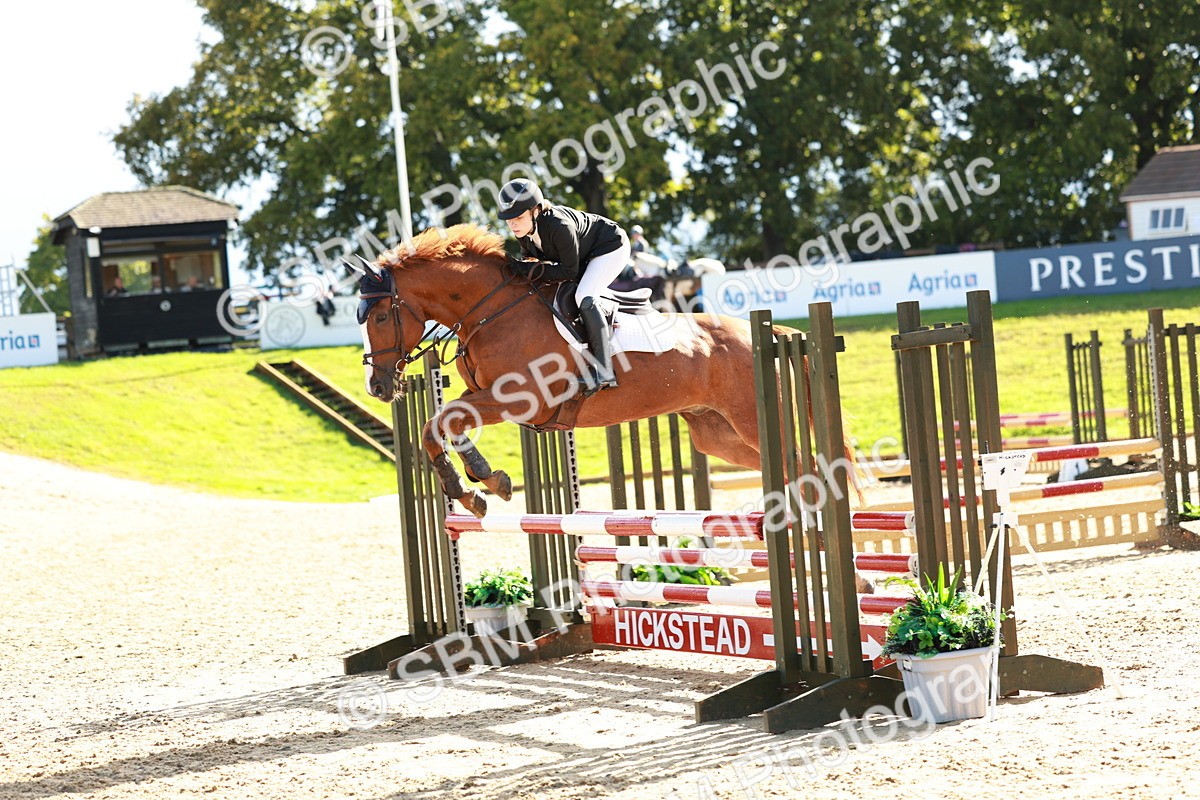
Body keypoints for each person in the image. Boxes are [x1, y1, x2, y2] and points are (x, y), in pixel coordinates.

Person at [497, 178, 630, 393]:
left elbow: (570, 272)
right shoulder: (525, 232)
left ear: (536, 210)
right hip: (584, 254)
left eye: (519, 217)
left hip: (610, 248)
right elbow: (535, 266)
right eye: (508, 219)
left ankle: (604, 371)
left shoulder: (558, 226)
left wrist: (528, 269)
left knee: (583, 297)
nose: (513, 224)